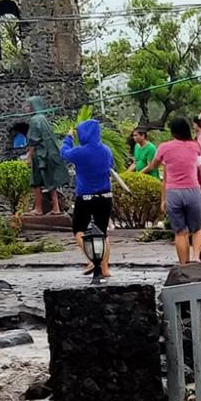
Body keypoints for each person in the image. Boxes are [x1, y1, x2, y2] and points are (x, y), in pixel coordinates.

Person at [60, 115, 128, 280]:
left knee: (79, 229)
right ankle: (105, 268)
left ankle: (93, 258)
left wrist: (68, 138)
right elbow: (110, 166)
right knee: (103, 232)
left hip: (85, 197)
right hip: (105, 196)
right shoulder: (106, 150)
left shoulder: (80, 152)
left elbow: (64, 153)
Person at [155, 114, 201, 265]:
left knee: (180, 232)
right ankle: (196, 258)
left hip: (173, 193)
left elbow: (155, 165)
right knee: (197, 228)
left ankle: (183, 265)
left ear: (172, 131)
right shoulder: (195, 146)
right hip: (192, 191)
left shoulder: (164, 148)